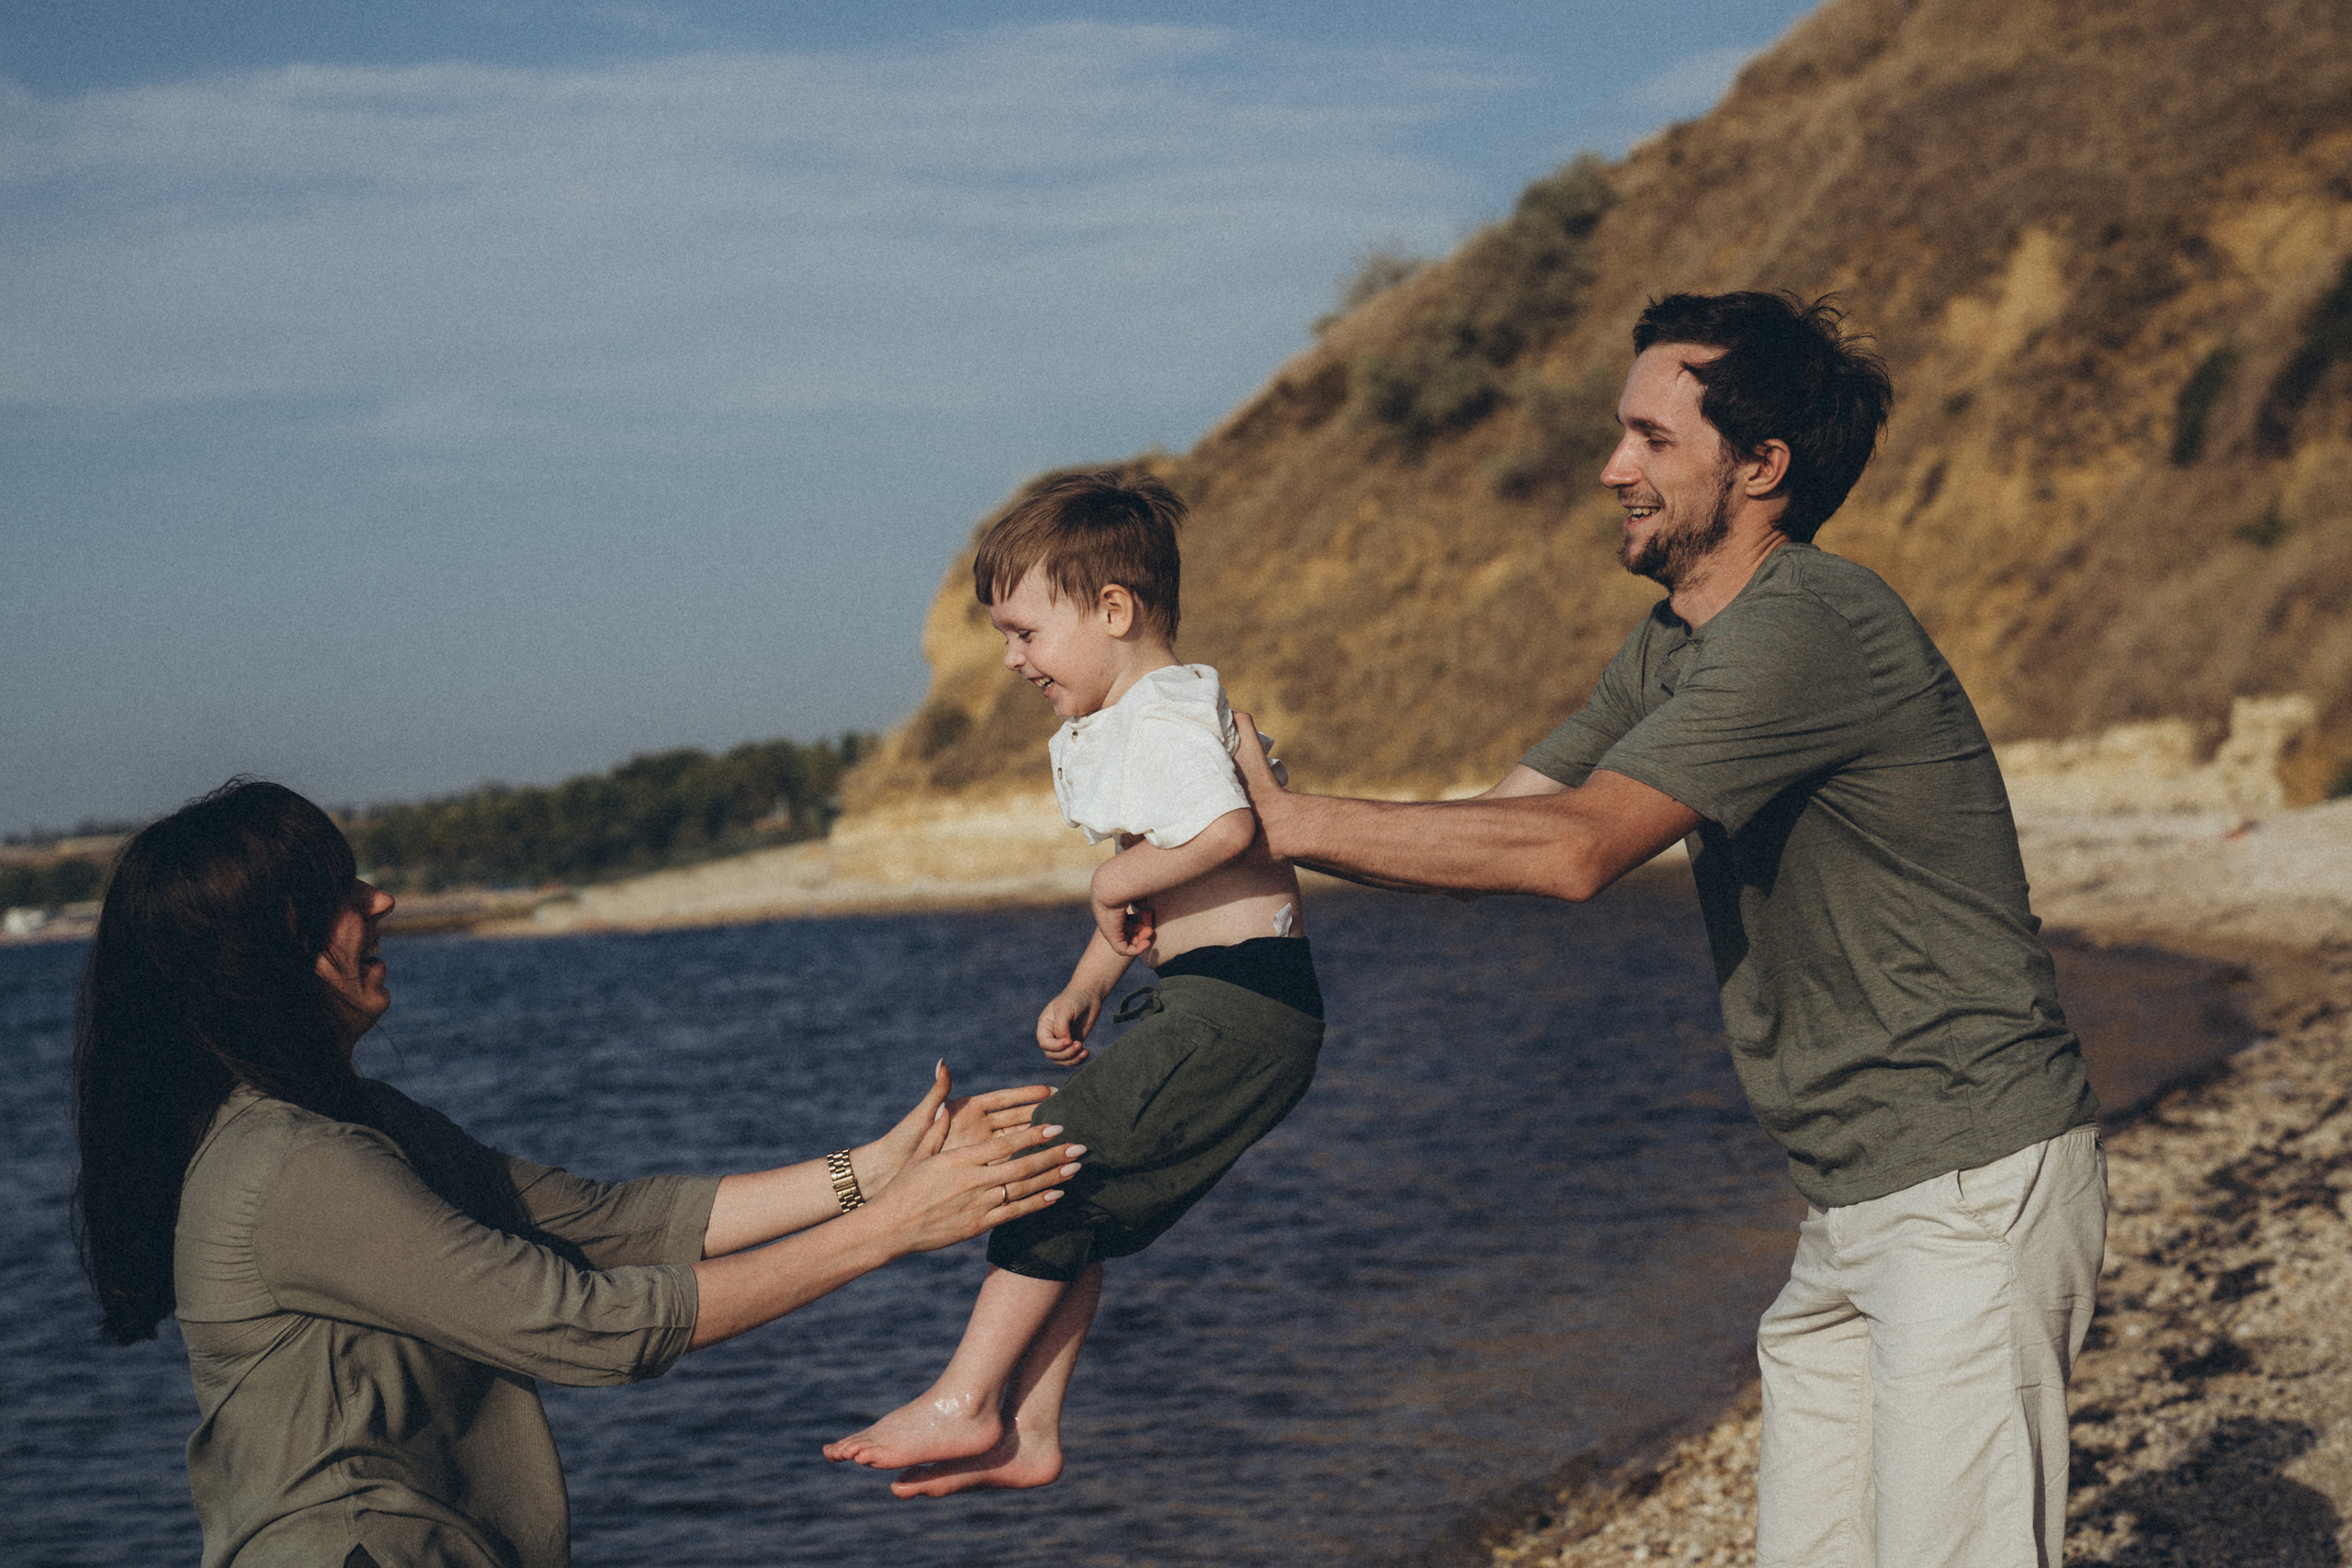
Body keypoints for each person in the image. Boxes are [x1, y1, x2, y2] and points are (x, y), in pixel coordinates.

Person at [1226, 293, 2107, 1568]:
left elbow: (1577, 850)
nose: (1611, 468)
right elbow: (1499, 835)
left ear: (1761, 467)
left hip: (1969, 1182)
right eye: (1619, 433)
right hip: (1850, 1196)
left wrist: (1286, 821)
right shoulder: (1673, 646)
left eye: (1650, 438)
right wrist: (1243, 845)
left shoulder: (1810, 625)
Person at [70, 778, 1084, 1568]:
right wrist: (892, 1229)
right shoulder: (295, 1166)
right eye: (339, 891)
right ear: (272, 949)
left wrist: (878, 1170)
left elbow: (604, 1223)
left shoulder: (355, 1122)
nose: (381, 899)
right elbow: (584, 1324)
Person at [823, 472, 1322, 1500]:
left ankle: (965, 1400)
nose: (1012, 659)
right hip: (1218, 999)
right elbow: (1155, 879)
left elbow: (1224, 834)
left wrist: (1108, 884)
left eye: (1025, 632)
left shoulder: (1166, 718)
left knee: (1038, 1161)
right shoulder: (1148, 716)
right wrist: (1088, 981)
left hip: (1236, 1008)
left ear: (1113, 611)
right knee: (1069, 1194)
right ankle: (1029, 1431)